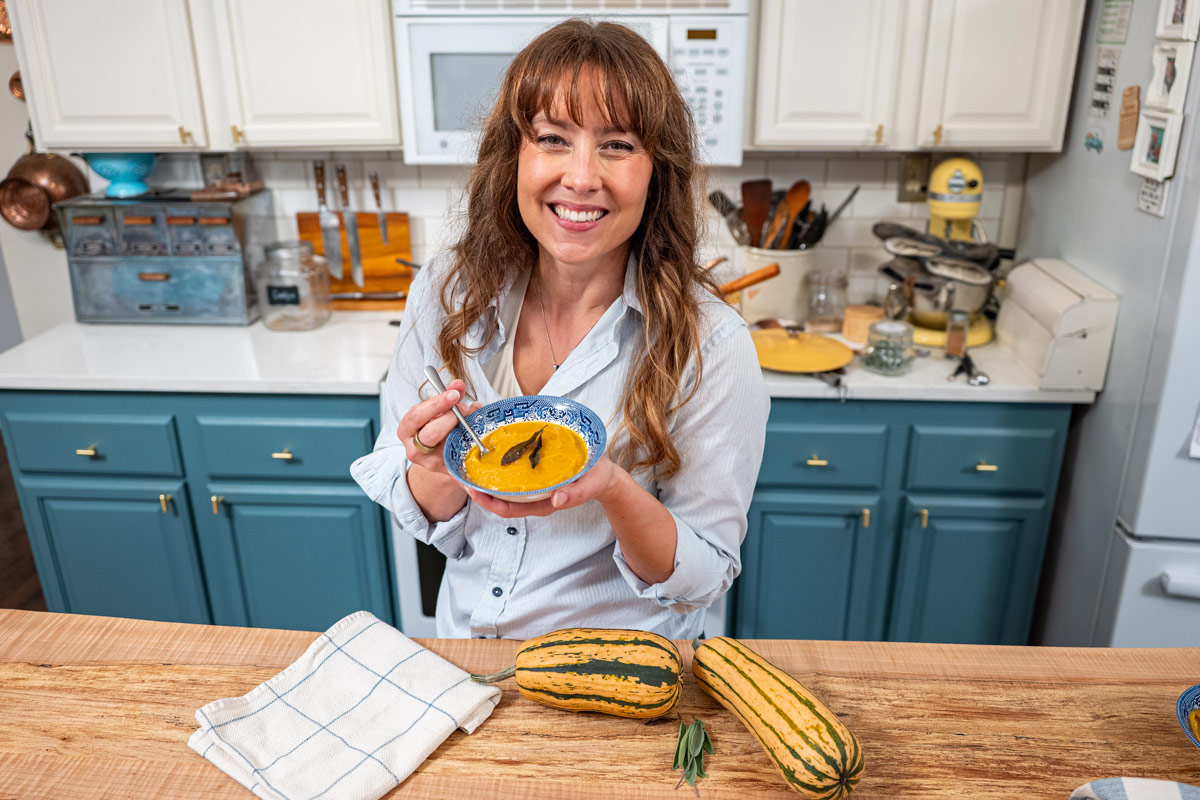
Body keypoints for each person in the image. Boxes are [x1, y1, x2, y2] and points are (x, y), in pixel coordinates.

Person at [351, 18, 768, 640]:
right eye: (552, 138)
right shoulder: (448, 290)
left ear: (658, 173)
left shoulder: (712, 343)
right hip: (464, 653)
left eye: (618, 145)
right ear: (512, 157)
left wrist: (612, 489)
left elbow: (704, 575)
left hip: (617, 672)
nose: (580, 177)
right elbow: (425, 508)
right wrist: (432, 465)